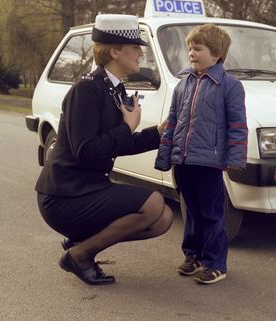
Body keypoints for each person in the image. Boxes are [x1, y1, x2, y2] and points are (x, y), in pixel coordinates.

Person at [35, 14, 173, 286]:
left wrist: (157, 133)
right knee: (154, 203)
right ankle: (81, 255)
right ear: (114, 51)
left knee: (163, 219)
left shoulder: (113, 89)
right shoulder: (86, 90)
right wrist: (127, 127)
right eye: (135, 48)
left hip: (89, 189)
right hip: (64, 195)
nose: (140, 53)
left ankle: (82, 243)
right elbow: (86, 150)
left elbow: (115, 143)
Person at [155, 24, 247, 284]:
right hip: (183, 161)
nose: (191, 53)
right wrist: (166, 155)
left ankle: (215, 263)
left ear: (216, 54)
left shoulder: (229, 85)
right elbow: (172, 121)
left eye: (198, 49)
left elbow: (238, 125)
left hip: (209, 162)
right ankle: (192, 255)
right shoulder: (183, 84)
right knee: (191, 212)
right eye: (190, 49)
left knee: (211, 214)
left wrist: (235, 158)